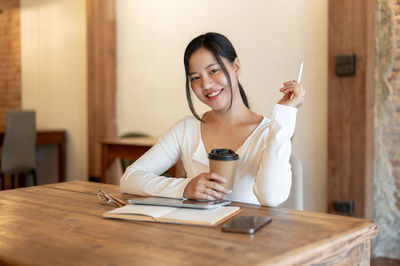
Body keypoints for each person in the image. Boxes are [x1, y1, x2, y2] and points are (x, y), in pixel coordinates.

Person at [120, 32, 305, 206]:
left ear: (236, 67)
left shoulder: (269, 131)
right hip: (198, 235)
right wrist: (185, 187)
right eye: (195, 77)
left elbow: (270, 197)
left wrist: (284, 116)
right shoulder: (187, 129)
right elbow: (130, 178)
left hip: (248, 237)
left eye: (214, 70)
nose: (206, 84)